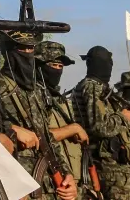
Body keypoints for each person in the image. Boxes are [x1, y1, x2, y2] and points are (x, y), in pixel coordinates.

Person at [0, 31, 78, 200]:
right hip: (18, 186)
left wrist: (67, 174)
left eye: (30, 48)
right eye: (21, 48)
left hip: (50, 185)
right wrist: (11, 129)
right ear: (8, 51)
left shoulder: (38, 91)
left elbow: (48, 137)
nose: (27, 53)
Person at [71, 46, 130, 200]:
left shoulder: (99, 88)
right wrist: (123, 117)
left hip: (114, 166)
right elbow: (100, 126)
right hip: (107, 166)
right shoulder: (92, 86)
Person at [34, 41, 93, 197]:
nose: (58, 71)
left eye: (61, 66)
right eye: (53, 65)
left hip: (72, 183)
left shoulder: (60, 100)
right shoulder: (33, 97)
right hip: (48, 183)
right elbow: (38, 136)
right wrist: (72, 129)